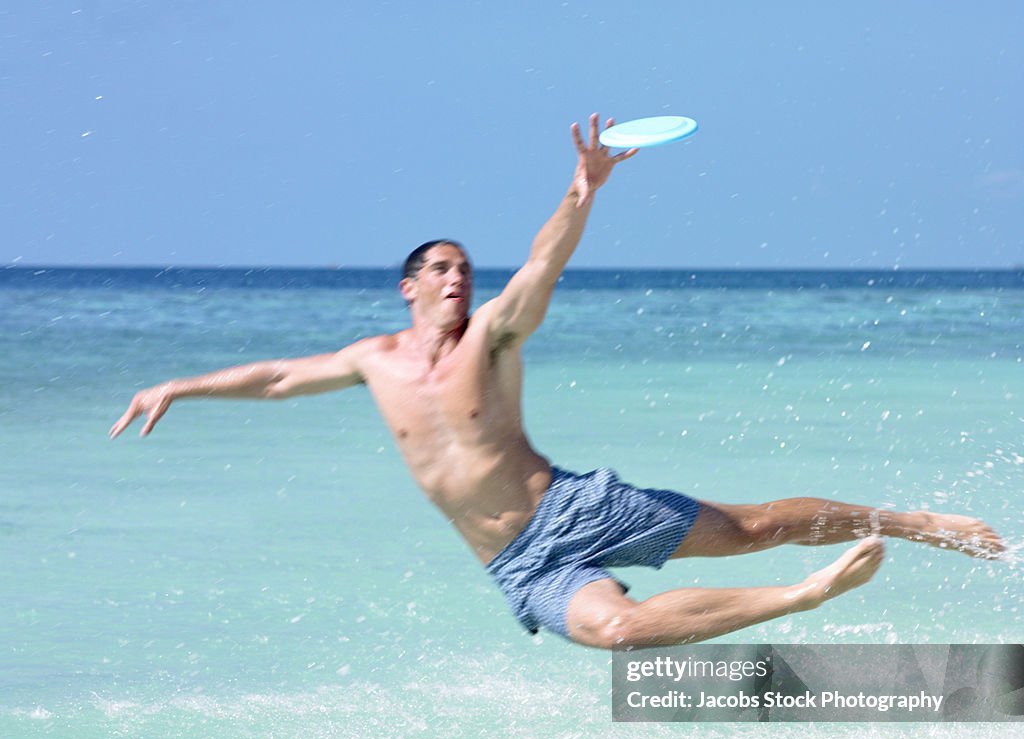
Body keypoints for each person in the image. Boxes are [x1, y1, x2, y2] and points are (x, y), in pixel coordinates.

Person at [110, 114, 1004, 648]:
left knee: (756, 525)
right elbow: (273, 378)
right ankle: (807, 595)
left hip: (572, 510)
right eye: (443, 269)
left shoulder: (492, 336)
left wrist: (584, 190)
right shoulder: (370, 359)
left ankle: (923, 524)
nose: (460, 278)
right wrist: (177, 387)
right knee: (619, 634)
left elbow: (541, 265)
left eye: (467, 267)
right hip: (514, 562)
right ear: (409, 283)